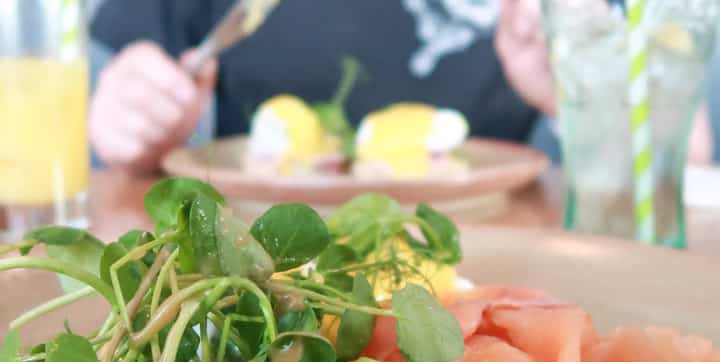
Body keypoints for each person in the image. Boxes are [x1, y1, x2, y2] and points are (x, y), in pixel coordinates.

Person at [88, 0, 713, 174]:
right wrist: (138, 119)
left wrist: (573, 92)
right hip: (255, 259)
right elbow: (125, 111)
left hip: (496, 266)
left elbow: (685, 155)